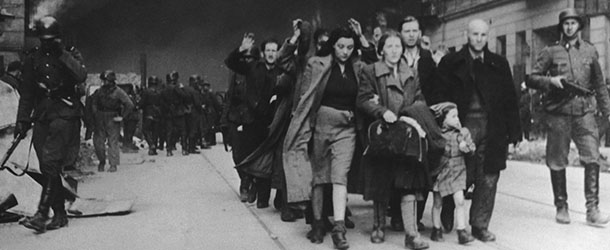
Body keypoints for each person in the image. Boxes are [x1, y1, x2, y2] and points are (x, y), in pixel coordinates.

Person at [283, 21, 374, 249]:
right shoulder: (316, 63)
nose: (345, 51)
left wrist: (362, 39)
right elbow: (304, 96)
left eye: (350, 47)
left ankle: (339, 228)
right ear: (333, 45)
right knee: (319, 177)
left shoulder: (359, 67)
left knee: (339, 176)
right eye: (341, 46)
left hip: (348, 128)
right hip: (320, 126)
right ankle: (316, 224)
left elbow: (376, 65)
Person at [434, 19, 522, 242]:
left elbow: (510, 99)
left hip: (492, 127)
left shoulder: (499, 64)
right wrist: (443, 127)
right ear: (466, 34)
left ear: (488, 36)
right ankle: (447, 208)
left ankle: (479, 225)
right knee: (458, 172)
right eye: (475, 34)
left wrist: (515, 132)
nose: (479, 39)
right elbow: (439, 97)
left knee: (489, 176)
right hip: (460, 126)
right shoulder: (450, 62)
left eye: (483, 35)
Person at [527, 8, 610, 226]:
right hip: (559, 114)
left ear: (579, 26)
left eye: (573, 23)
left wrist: (607, 110)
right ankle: (561, 205)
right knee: (557, 161)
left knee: (592, 159)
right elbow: (532, 78)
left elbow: (600, 85)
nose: (570, 27)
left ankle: (592, 209)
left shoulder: (590, 52)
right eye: (566, 23)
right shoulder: (551, 51)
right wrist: (551, 81)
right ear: (561, 26)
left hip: (584, 114)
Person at [357, 30, 431, 249]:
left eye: (397, 46)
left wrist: (414, 114)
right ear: (381, 50)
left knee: (409, 182)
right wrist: (381, 111)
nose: (394, 50)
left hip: (405, 132)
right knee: (381, 179)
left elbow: (419, 98)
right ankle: (378, 226)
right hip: (383, 132)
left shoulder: (411, 73)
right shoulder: (370, 71)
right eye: (389, 46)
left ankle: (411, 234)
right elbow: (362, 99)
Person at [16, 16, 87, 233]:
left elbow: (81, 75)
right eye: (44, 39)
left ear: (58, 38)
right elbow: (27, 92)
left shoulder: (69, 55)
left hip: (65, 112)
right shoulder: (32, 58)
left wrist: (62, 54)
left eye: (51, 39)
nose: (47, 43)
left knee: (51, 160)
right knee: (47, 166)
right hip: (43, 114)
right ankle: (60, 213)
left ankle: (42, 213)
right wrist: (22, 119)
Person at [393, 15, 446, 233]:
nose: (411, 35)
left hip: (423, 115)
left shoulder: (426, 58)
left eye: (415, 31)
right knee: (400, 164)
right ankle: (397, 215)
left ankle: (415, 216)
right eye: (407, 31)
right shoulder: (395, 55)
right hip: (399, 114)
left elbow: (435, 87)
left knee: (422, 162)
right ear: (400, 34)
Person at [225, 33, 282, 208]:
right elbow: (231, 63)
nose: (272, 53)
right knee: (250, 156)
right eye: (268, 50)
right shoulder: (253, 67)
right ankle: (251, 187)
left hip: (274, 121)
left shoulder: (283, 70)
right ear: (263, 53)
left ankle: (264, 196)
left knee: (268, 159)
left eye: (274, 50)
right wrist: (241, 49)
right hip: (252, 120)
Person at [428, 102, 475, 244]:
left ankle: (462, 231)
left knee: (460, 201)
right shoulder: (438, 134)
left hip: (458, 171)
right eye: (453, 116)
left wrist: (465, 147)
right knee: (437, 202)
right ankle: (436, 229)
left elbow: (472, 149)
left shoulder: (463, 133)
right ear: (443, 119)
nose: (457, 119)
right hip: (442, 172)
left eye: (458, 116)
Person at [90, 70, 134, 172]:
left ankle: (113, 164)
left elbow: (129, 104)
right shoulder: (99, 91)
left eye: (106, 81)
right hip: (100, 118)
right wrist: (95, 113)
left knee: (113, 142)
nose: (104, 83)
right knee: (98, 142)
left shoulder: (118, 92)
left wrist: (122, 117)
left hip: (113, 117)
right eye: (103, 81)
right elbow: (94, 102)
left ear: (111, 81)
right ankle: (102, 161)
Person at [161, 71, 191, 156]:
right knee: (183, 131)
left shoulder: (164, 89)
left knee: (169, 132)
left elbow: (161, 102)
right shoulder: (176, 88)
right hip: (178, 112)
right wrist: (182, 89)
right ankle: (184, 149)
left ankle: (169, 150)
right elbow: (186, 97)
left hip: (168, 113)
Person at [140, 76, 163, 155]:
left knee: (145, 130)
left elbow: (142, 103)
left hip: (148, 113)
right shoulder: (159, 92)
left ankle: (151, 144)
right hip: (157, 113)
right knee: (155, 132)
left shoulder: (146, 92)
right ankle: (154, 149)